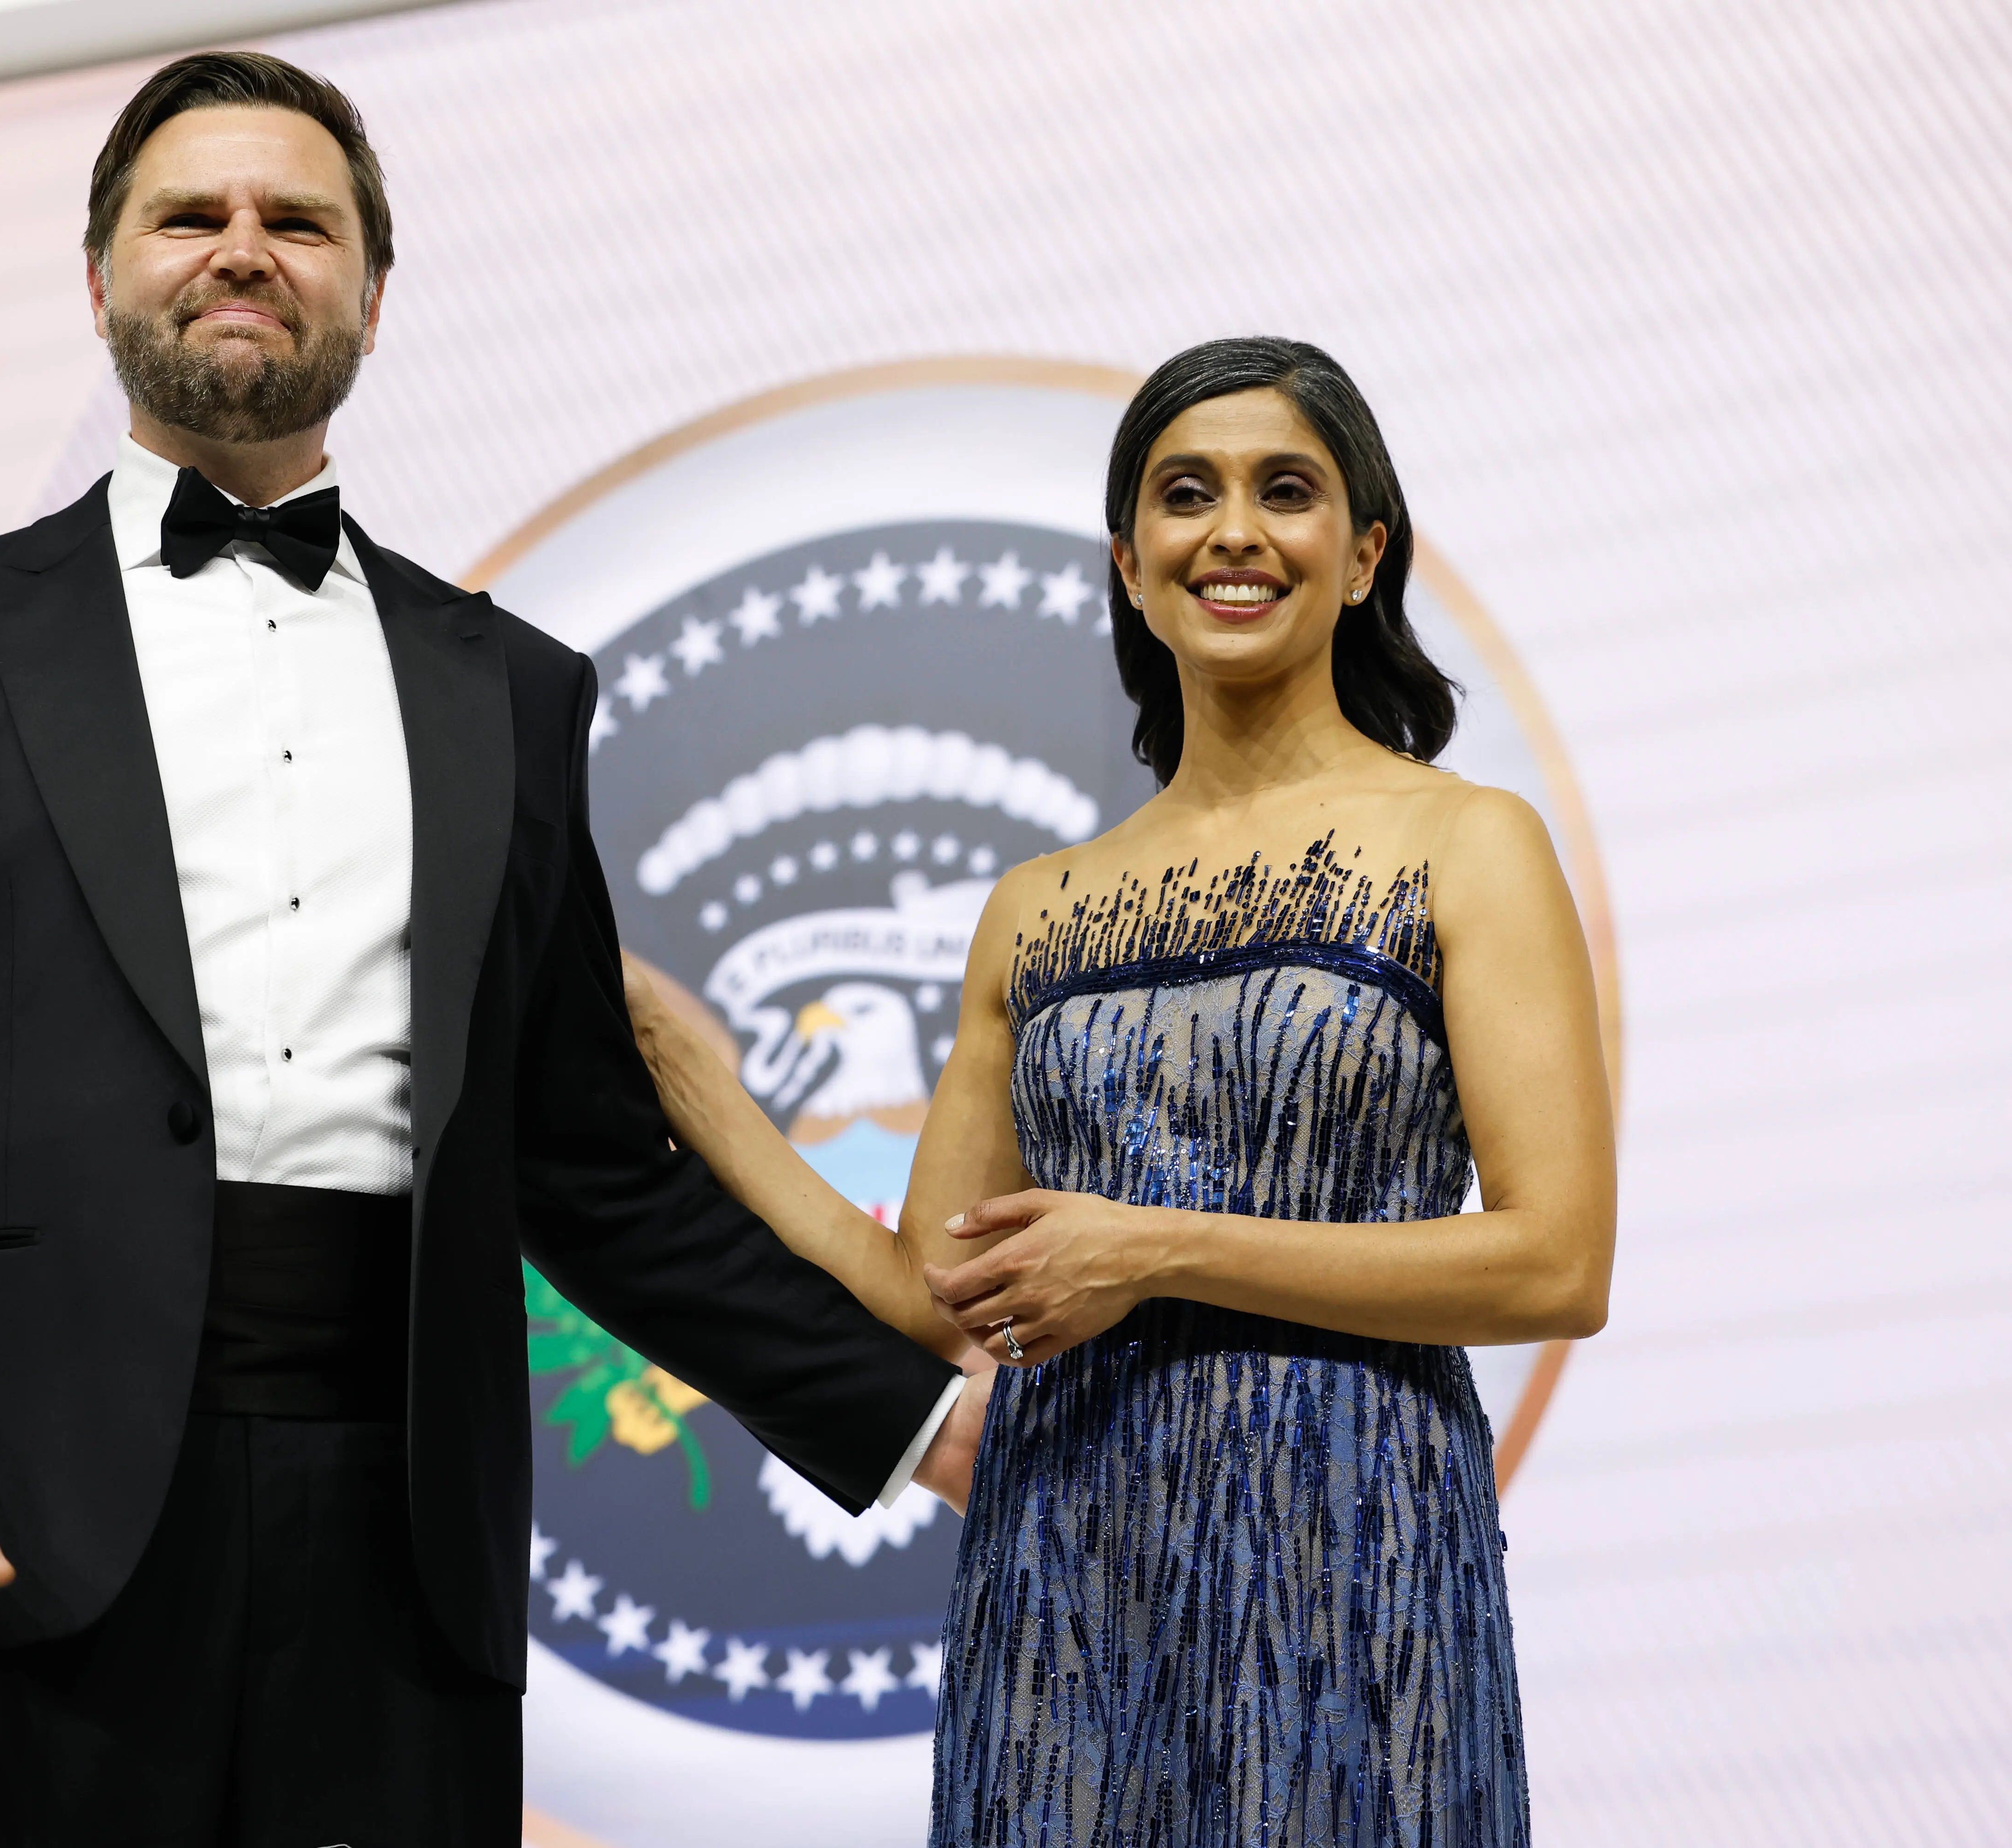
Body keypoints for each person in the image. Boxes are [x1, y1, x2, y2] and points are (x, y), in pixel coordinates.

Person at [0, 50, 983, 1847]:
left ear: (373, 294)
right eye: (190, 216)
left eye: (297, 221)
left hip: (405, 1543)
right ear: (99, 278)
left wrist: (920, 1416)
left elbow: (592, 1165)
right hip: (12, 1523)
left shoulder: (515, 691)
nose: (244, 250)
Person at [623, 336, 1614, 1846]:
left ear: (1361, 557)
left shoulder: (1465, 842)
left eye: (1285, 491)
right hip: (1069, 1562)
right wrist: (692, 1071)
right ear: (1129, 565)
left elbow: (1555, 1261)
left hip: (1355, 1550)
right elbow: (932, 1291)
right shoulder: (1034, 905)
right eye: (1182, 495)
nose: (1231, 531)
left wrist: (1153, 1249)